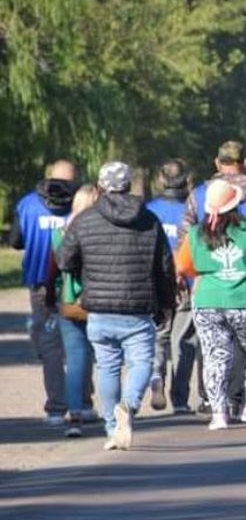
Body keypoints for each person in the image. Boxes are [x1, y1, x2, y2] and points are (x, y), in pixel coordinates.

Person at [57, 162, 176, 450]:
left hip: (98, 307)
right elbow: (164, 268)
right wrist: (165, 305)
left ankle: (113, 428)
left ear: (99, 187)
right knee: (142, 363)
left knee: (108, 367)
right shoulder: (149, 220)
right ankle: (129, 405)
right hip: (138, 308)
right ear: (128, 186)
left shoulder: (84, 220)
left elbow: (64, 260)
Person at [174, 178, 246, 431]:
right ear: (236, 205)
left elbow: (182, 267)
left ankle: (218, 413)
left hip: (207, 301)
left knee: (215, 356)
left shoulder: (195, 234)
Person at [10, 159, 76, 425]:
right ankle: (82, 403)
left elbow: (15, 241)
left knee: (50, 346)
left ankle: (56, 408)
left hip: (40, 283)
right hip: (76, 284)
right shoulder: (80, 204)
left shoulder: (27, 204)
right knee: (78, 343)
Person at [145, 160, 198, 414]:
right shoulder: (192, 210)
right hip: (186, 283)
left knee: (158, 336)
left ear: (160, 179)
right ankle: (180, 399)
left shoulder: (148, 210)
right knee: (184, 340)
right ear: (187, 179)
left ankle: (156, 376)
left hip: (156, 283)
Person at [48, 184, 100, 438]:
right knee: (110, 358)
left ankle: (75, 415)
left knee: (76, 360)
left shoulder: (60, 233)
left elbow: (53, 271)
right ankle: (116, 412)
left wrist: (51, 298)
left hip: (70, 302)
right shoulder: (101, 233)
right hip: (100, 301)